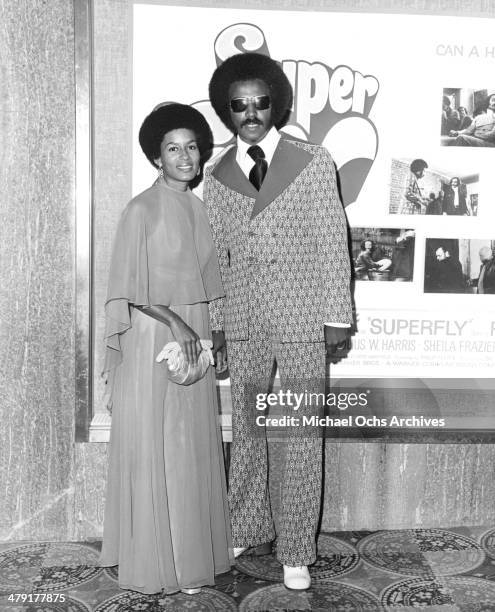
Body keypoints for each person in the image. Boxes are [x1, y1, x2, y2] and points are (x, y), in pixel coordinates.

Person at [203, 52, 353, 591]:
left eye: (260, 102)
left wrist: (336, 315)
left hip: (302, 317)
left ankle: (295, 549)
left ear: (275, 103)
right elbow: (214, 255)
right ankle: (245, 525)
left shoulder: (311, 159)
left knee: (298, 432)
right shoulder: (215, 173)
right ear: (227, 111)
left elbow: (333, 239)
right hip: (243, 320)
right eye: (239, 106)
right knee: (245, 430)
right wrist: (218, 322)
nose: (251, 113)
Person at [99, 103, 232, 594]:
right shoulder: (141, 209)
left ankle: (188, 556)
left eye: (192, 147)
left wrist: (211, 329)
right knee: (160, 447)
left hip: (191, 333)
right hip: (154, 336)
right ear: (157, 156)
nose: (185, 156)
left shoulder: (197, 208)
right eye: (173, 148)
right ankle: (162, 564)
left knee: (188, 447)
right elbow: (127, 289)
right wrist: (177, 324)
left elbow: (207, 282)